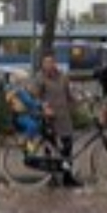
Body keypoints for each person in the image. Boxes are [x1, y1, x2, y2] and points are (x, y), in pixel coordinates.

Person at [35, 52, 82, 188]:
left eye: (51, 62)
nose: (49, 65)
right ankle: (52, 177)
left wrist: (78, 101)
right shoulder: (40, 78)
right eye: (46, 62)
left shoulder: (63, 77)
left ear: (55, 63)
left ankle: (67, 177)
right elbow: (34, 97)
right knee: (50, 149)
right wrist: (43, 107)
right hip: (48, 118)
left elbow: (69, 95)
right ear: (42, 65)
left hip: (63, 117)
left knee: (67, 147)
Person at [6, 70, 44, 141]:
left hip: (19, 115)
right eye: (25, 81)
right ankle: (24, 140)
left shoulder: (12, 90)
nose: (27, 83)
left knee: (37, 125)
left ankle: (29, 140)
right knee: (33, 126)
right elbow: (29, 102)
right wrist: (40, 104)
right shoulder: (20, 91)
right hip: (22, 115)